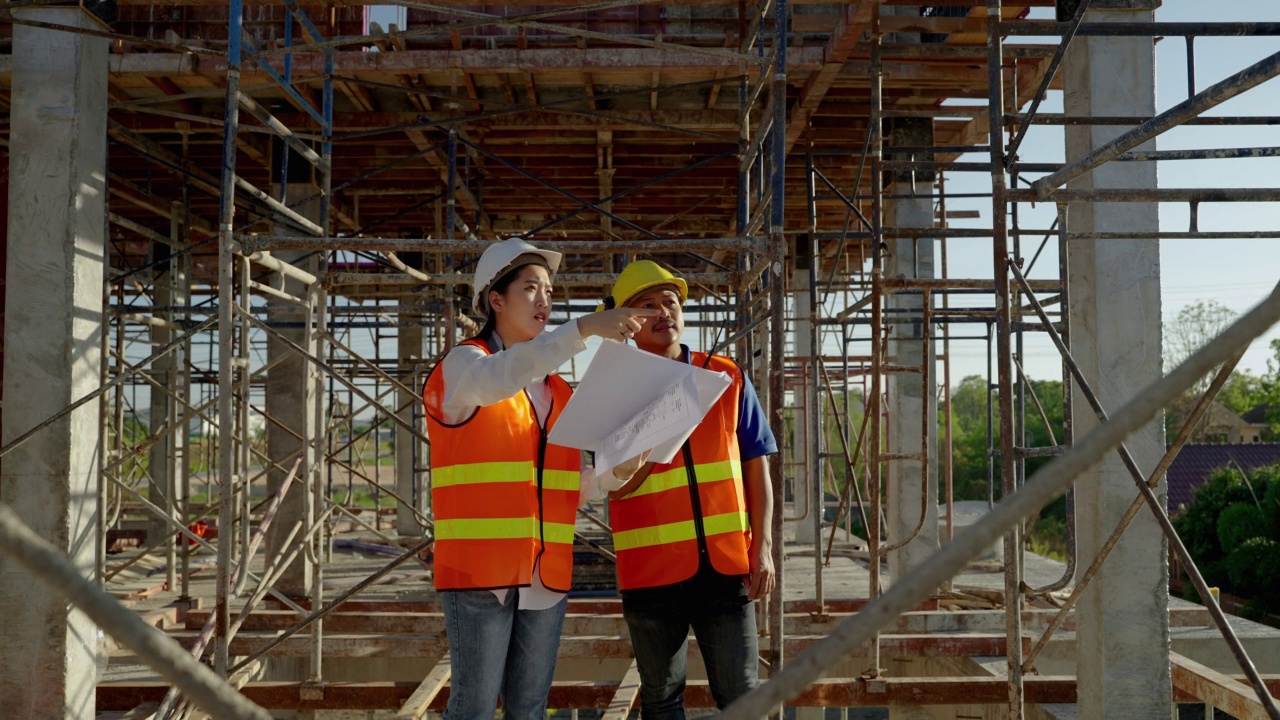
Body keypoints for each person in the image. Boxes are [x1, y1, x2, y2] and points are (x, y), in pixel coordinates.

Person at [421, 238, 657, 720]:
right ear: (495, 299)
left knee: (529, 709)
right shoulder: (463, 368)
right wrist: (586, 327)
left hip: (544, 576)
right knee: (474, 708)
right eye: (530, 288)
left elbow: (570, 484)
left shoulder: (557, 391)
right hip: (480, 575)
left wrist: (616, 472)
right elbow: (504, 375)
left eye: (549, 291)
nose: (544, 300)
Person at [600, 260, 777, 719]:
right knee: (661, 702)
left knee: (742, 698)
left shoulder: (725, 377)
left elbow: (757, 465)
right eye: (647, 306)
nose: (664, 312)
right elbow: (612, 488)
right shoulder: (610, 391)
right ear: (626, 321)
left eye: (671, 302)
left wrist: (763, 548)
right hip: (650, 572)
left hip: (724, 566)